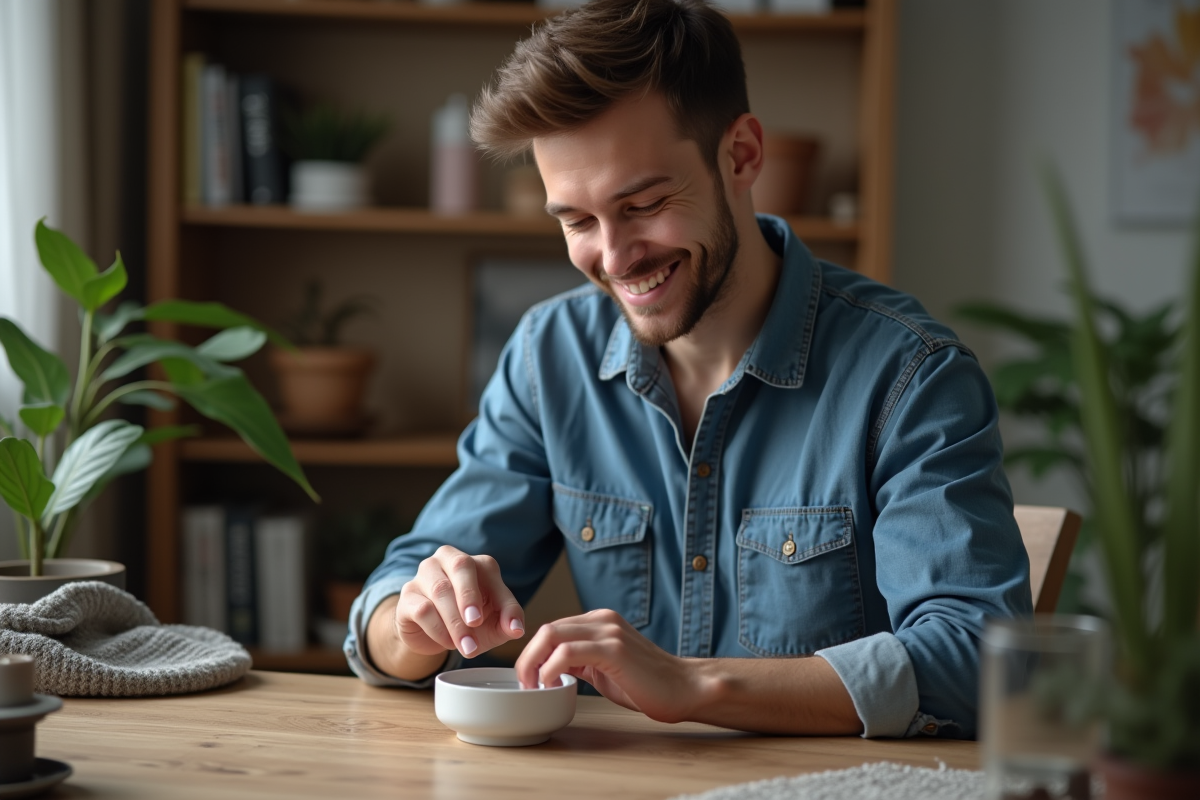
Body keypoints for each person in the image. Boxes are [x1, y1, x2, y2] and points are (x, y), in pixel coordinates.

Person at [345, 0, 1031, 739]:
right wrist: (413, 622)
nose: (613, 258)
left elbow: (979, 662)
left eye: (642, 204)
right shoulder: (550, 358)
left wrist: (694, 683)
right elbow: (394, 597)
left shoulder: (911, 375)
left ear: (741, 155)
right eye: (576, 221)